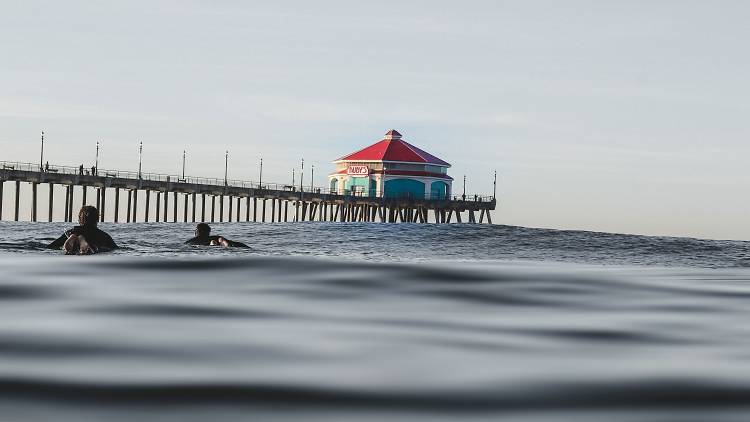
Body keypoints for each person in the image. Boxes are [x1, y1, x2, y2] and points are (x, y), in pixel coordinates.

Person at [47, 206, 118, 254]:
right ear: (97, 219)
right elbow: (116, 249)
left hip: (75, 235)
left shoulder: (70, 232)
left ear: (79, 219)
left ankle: (77, 239)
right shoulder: (104, 236)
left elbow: (50, 247)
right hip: (92, 248)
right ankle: (82, 241)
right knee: (94, 249)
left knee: (69, 250)